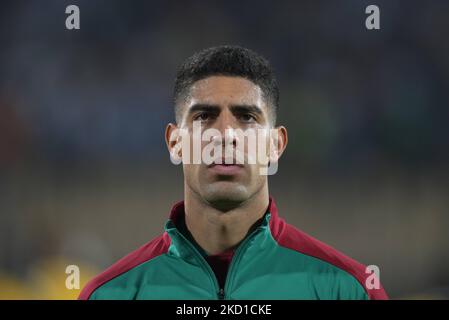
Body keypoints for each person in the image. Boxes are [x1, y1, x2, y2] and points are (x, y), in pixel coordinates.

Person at [79, 45, 388, 300]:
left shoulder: (347, 290)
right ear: (175, 143)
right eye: (204, 116)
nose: (225, 134)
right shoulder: (112, 294)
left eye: (246, 117)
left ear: (275, 145)